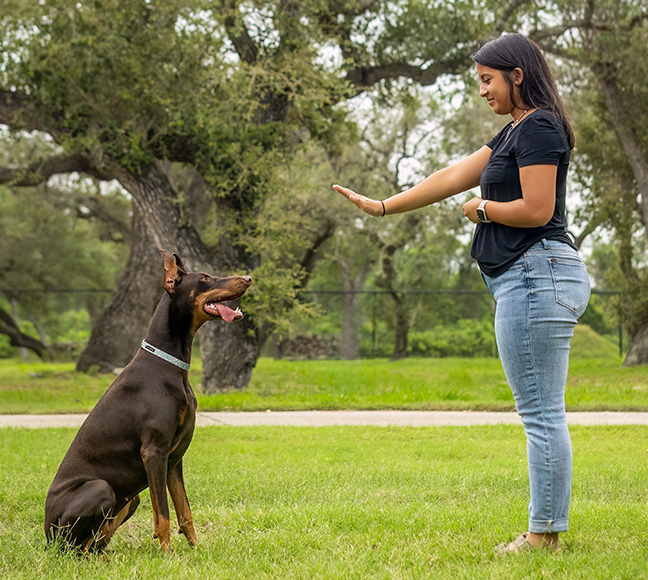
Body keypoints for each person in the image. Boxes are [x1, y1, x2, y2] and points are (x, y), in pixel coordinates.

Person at [333, 33, 590, 554]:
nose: (482, 91)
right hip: (529, 277)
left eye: (487, 80)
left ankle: (543, 536)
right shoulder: (514, 131)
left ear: (517, 75)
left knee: (541, 414)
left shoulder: (539, 125)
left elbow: (538, 210)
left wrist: (483, 210)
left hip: (536, 274)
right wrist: (384, 206)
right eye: (479, 82)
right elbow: (452, 175)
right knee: (541, 412)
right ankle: (547, 531)